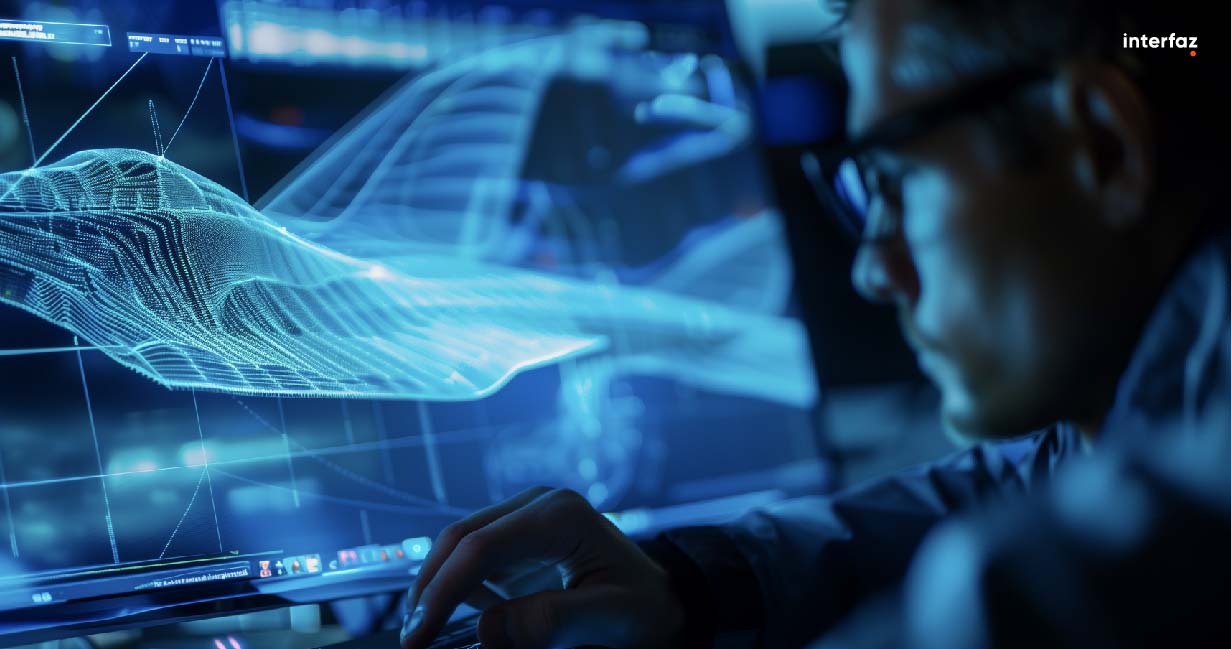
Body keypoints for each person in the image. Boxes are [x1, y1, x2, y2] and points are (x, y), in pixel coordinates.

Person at [399, 0, 1231, 647]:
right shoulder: (1145, 411)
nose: (874, 268)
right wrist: (685, 588)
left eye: (893, 176)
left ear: (1105, 147)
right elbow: (1018, 488)